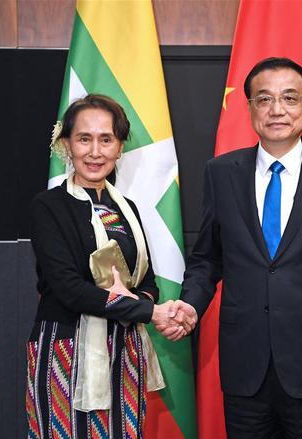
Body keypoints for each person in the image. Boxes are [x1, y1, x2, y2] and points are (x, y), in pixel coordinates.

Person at [158, 57, 302, 438]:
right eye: (264, 99)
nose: (277, 110)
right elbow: (208, 258)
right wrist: (190, 303)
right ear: (250, 109)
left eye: (290, 98)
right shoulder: (221, 173)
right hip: (245, 367)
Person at [25, 94, 181, 439]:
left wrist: (137, 297)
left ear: (120, 147)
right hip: (65, 350)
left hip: (124, 350)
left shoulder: (129, 210)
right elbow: (68, 289)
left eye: (106, 139)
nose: (95, 152)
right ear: (66, 144)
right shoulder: (49, 206)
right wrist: (147, 311)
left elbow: (150, 283)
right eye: (84, 138)